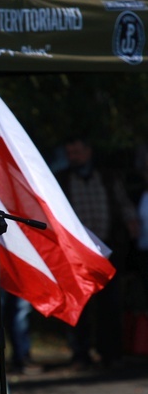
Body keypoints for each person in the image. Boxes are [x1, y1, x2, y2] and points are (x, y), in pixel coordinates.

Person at [56, 136, 139, 369]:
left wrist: (132, 224)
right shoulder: (62, 180)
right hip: (75, 253)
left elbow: (123, 205)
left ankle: (111, 354)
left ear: (88, 151)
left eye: (77, 152)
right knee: (78, 304)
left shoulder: (107, 176)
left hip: (107, 250)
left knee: (110, 305)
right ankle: (80, 354)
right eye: (70, 153)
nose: (74, 158)